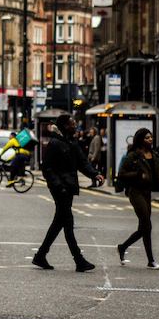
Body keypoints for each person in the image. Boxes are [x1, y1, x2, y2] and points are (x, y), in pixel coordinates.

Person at [32, 114, 103, 272]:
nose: (75, 126)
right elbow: (47, 169)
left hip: (68, 188)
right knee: (68, 224)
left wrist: (94, 174)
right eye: (72, 124)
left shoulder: (72, 142)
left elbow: (82, 162)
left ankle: (40, 255)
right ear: (65, 126)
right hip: (60, 189)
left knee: (59, 223)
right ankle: (79, 260)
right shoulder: (55, 143)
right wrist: (59, 186)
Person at [116, 128, 159, 270]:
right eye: (147, 137)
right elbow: (121, 174)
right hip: (135, 192)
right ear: (140, 140)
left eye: (151, 137)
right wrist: (137, 175)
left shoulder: (154, 156)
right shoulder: (133, 155)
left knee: (143, 227)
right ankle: (151, 261)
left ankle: (122, 247)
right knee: (147, 224)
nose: (150, 139)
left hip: (146, 193)